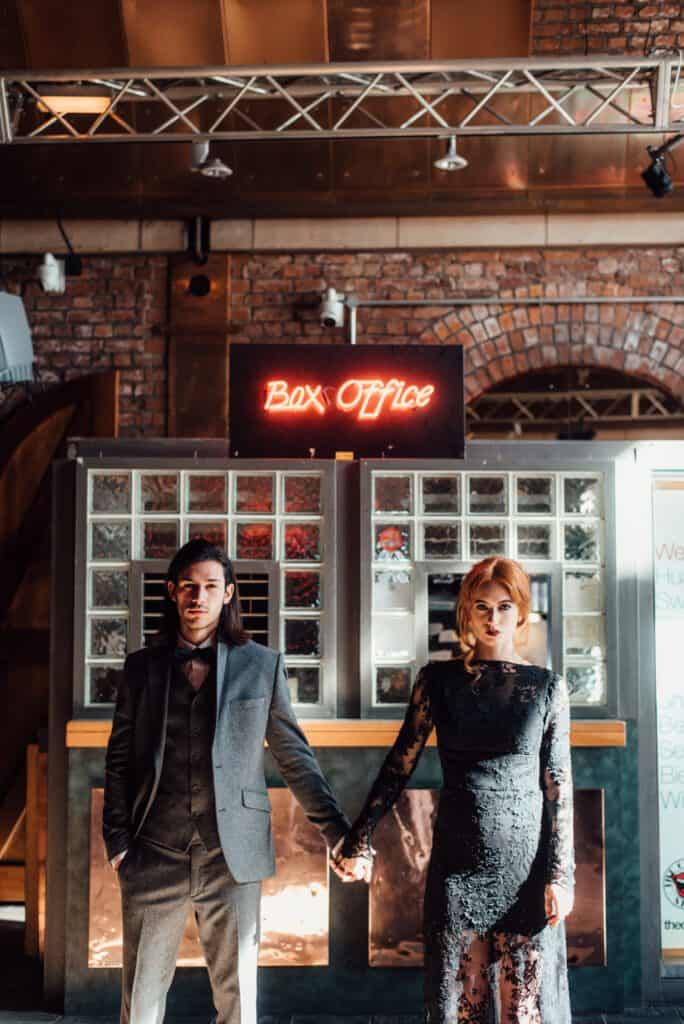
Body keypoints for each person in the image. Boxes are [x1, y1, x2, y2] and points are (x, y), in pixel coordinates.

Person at [103, 538, 350, 1024]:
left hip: (232, 857)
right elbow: (119, 761)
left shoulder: (262, 666)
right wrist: (118, 840)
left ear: (229, 593)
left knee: (238, 1002)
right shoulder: (141, 668)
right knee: (141, 1002)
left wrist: (338, 833)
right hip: (152, 851)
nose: (199, 597)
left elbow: (295, 758)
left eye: (211, 586)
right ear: (172, 592)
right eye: (189, 586)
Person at [333, 557, 575, 1024]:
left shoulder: (548, 688)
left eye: (504, 607)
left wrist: (561, 877)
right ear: (466, 612)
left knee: (523, 1012)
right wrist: (359, 836)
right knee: (462, 1010)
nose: (492, 618)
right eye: (481, 607)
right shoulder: (437, 682)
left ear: (521, 613)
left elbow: (557, 785)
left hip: (526, 865)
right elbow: (398, 764)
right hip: (458, 864)